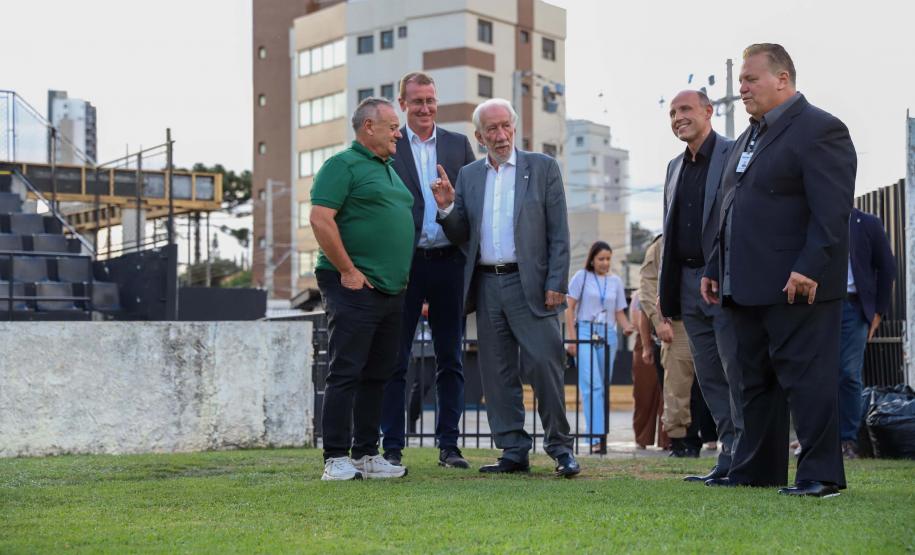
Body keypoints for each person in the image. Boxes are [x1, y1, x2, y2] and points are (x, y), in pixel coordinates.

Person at [702, 43, 856, 497]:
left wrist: (809, 267)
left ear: (782, 79)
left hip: (798, 284)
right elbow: (730, 207)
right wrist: (714, 265)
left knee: (808, 381)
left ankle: (820, 476)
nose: (742, 89)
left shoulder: (820, 129)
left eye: (750, 79)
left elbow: (832, 212)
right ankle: (756, 471)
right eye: (741, 81)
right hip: (745, 283)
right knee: (755, 382)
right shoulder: (748, 137)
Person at [432, 98, 580, 477]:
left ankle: (561, 449)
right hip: (486, 284)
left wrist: (557, 282)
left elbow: (559, 232)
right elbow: (462, 234)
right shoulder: (469, 176)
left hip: (532, 284)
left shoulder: (543, 168)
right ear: (479, 137)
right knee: (497, 373)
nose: (500, 135)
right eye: (491, 129)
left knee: (545, 365)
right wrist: (447, 208)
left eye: (505, 126)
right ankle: (513, 450)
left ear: (514, 128)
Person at [310, 97, 414, 481]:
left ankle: (367, 454)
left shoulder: (389, 169)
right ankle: (335, 458)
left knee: (378, 373)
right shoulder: (341, 165)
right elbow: (320, 219)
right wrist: (348, 270)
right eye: (393, 127)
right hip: (352, 284)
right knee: (346, 370)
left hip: (390, 288)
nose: (399, 134)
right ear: (369, 127)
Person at [380, 71, 477, 469]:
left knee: (450, 357)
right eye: (417, 101)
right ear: (402, 104)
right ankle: (391, 447)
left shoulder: (458, 145)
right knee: (395, 359)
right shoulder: (390, 145)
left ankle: (449, 446)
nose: (425, 108)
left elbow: (469, 210)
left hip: (448, 263)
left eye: (430, 100)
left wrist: (448, 206)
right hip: (403, 265)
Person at [659, 90, 743, 482]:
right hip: (686, 285)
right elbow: (669, 232)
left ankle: (748, 453)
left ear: (709, 112)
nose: (678, 117)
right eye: (672, 112)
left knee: (734, 370)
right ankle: (729, 453)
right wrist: (665, 295)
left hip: (724, 281)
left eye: (685, 109)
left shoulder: (734, 153)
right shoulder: (674, 167)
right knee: (708, 376)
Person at [564, 241, 635, 454]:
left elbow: (619, 312)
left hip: (608, 334)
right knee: (592, 385)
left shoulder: (615, 281)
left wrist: (627, 327)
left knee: (602, 387)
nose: (605, 263)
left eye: (608, 259)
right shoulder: (581, 277)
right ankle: (595, 437)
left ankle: (600, 435)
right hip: (585, 331)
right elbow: (569, 308)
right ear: (592, 260)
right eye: (601, 258)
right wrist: (572, 339)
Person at [839, 208, 896, 458]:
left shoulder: (868, 223)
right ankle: (816, 438)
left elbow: (887, 267)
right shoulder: (813, 217)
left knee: (848, 373)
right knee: (818, 374)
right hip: (820, 308)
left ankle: (847, 441)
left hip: (854, 307)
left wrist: (878, 312)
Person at [639, 234, 703, 456]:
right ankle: (680, 442)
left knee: (708, 386)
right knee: (677, 386)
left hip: (708, 318)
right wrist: (658, 322)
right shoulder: (661, 244)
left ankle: (711, 439)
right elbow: (647, 286)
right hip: (677, 323)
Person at [631, 291, 669, 450]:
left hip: (669, 340)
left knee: (668, 394)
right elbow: (635, 322)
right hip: (645, 340)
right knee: (644, 394)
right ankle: (642, 438)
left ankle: (668, 440)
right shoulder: (640, 295)